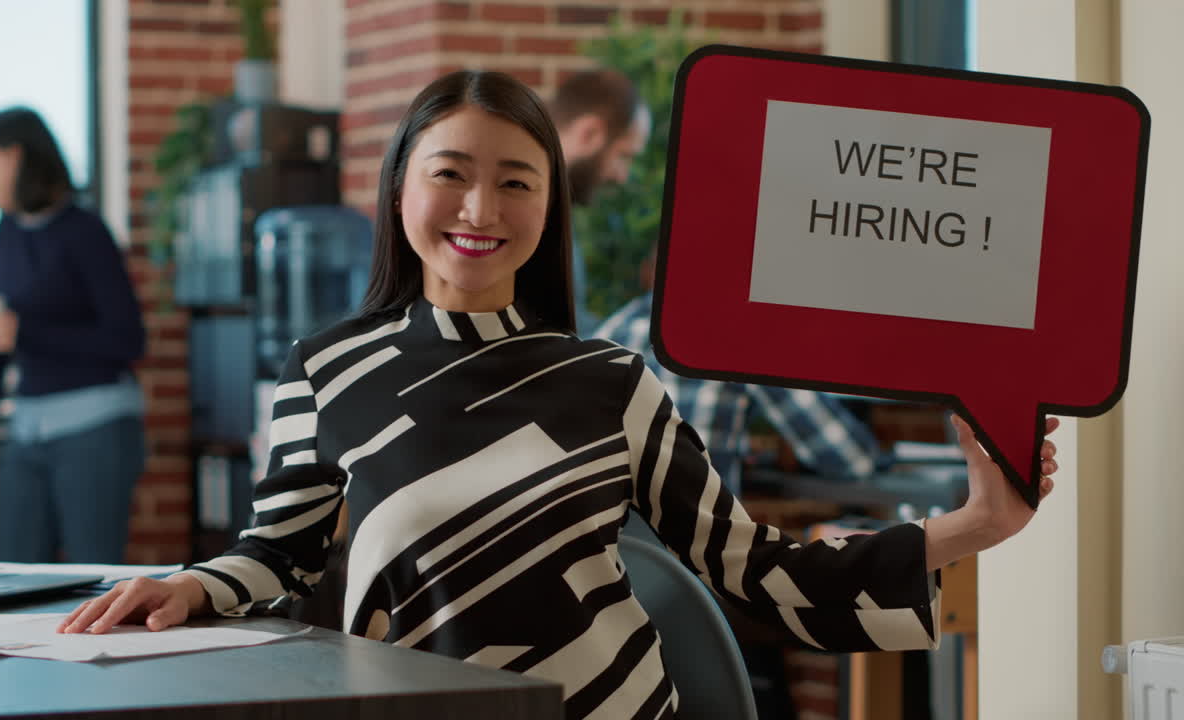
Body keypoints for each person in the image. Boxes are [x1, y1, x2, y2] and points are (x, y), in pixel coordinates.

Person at [59, 71, 1059, 720]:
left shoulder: (611, 380)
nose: (479, 210)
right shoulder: (324, 371)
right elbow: (278, 555)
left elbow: (753, 569)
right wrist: (194, 585)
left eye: (515, 182)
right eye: (450, 174)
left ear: (549, 202)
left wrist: (970, 527)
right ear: (401, 186)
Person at [0, 107, 146, 564]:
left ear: (14, 155)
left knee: (94, 574)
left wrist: (25, 331)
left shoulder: (85, 231)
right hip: (27, 428)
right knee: (12, 573)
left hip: (95, 427)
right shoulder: (8, 232)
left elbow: (128, 341)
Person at [595, 249, 885, 496]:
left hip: (603, 550)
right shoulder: (741, 339)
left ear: (650, 271)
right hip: (690, 553)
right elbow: (848, 459)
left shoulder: (607, 333)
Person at [551, 68, 651, 335]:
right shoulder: (533, 212)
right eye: (623, 155)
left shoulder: (555, 206)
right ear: (589, 133)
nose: (622, 176)